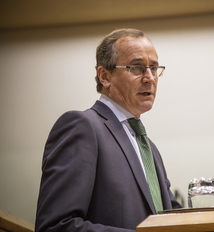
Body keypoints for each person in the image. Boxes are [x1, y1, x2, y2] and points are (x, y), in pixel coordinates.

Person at [35, 28, 182, 232]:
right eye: (137, 68)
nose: (150, 78)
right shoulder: (83, 126)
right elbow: (56, 226)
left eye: (154, 68)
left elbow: (170, 218)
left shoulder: (149, 147)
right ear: (105, 76)